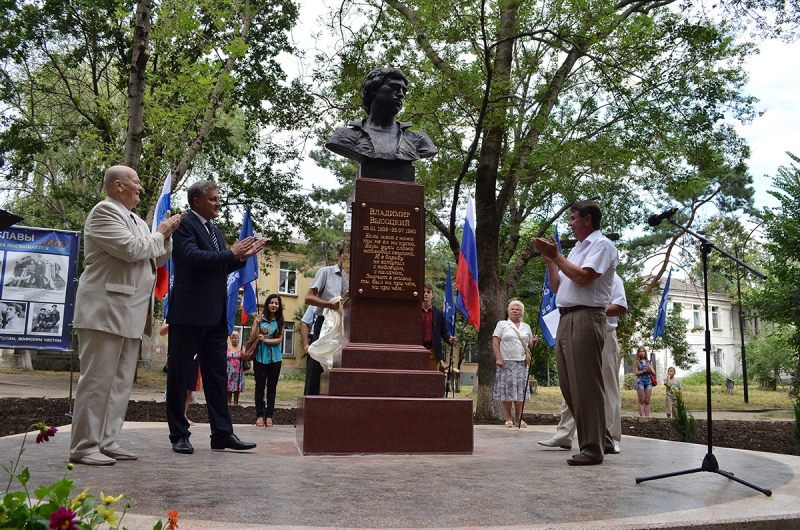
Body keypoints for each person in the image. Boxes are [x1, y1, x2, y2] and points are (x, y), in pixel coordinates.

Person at [69, 165, 182, 465]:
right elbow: (132, 249)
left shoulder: (136, 220)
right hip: (104, 310)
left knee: (119, 382)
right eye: (135, 182)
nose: (140, 188)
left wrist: (166, 235)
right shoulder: (104, 212)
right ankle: (83, 446)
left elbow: (156, 257)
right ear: (118, 186)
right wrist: (159, 233)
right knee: (96, 381)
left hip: (130, 312)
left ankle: (107, 440)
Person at [165, 179, 265, 455]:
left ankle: (222, 433)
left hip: (215, 316)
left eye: (218, 199)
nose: (218, 203)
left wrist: (242, 257)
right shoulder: (184, 224)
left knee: (217, 377)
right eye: (213, 199)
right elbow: (192, 258)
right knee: (179, 375)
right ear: (196, 201)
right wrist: (229, 253)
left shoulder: (214, 230)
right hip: (188, 314)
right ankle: (179, 434)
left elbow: (220, 266)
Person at [532, 200, 618, 466]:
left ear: (587, 220)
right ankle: (602, 439)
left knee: (586, 386)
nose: (569, 223)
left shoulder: (601, 245)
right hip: (567, 317)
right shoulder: (579, 249)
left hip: (586, 316)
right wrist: (550, 261)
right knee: (570, 385)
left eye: (573, 218)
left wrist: (558, 256)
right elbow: (559, 288)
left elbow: (584, 278)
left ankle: (592, 450)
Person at [538, 273, 627, 453]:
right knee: (574, 384)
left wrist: (590, 310)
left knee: (608, 387)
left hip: (605, 333)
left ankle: (610, 438)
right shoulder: (574, 275)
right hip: (578, 332)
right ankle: (564, 434)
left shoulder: (612, 278)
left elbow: (620, 307)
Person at [325, 68, 437, 164]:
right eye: (394, 87)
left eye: (403, 90)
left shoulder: (418, 140)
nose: (401, 94)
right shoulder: (345, 136)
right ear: (373, 89)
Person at [303, 242, 344, 396]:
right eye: (345, 254)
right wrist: (329, 304)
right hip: (324, 324)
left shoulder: (354, 278)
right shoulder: (326, 272)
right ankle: (310, 411)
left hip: (345, 328)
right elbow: (308, 297)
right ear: (338, 255)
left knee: (338, 370)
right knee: (316, 368)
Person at [492, 300, 538, 428]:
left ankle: (519, 418)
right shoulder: (502, 325)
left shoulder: (526, 327)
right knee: (507, 390)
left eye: (517, 309)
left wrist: (533, 342)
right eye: (512, 309)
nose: (515, 311)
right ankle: (508, 418)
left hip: (521, 363)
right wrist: (498, 358)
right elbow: (495, 342)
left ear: (521, 312)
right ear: (508, 311)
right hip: (506, 362)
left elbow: (529, 345)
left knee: (520, 391)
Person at [252, 294, 284, 427]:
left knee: (272, 388)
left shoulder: (280, 320)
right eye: (271, 302)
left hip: (275, 359)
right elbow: (253, 337)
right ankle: (260, 415)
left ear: (279, 306)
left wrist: (265, 340)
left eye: (276, 303)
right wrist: (255, 324)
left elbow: (279, 340)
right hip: (260, 358)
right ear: (267, 304)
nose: (274, 305)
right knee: (259, 387)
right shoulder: (260, 319)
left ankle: (269, 415)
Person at [421, 282, 457, 371]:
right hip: (418, 350)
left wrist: (449, 339)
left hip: (433, 351)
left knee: (432, 380)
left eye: (428, 292)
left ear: (432, 294)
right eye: (424, 292)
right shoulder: (414, 312)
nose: (426, 294)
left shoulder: (438, 313)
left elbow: (444, 331)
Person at [634, 346, 655, 417]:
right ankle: (642, 417)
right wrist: (644, 371)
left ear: (645, 353)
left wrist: (651, 370)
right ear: (638, 353)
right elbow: (636, 373)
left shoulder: (649, 362)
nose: (641, 353)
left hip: (648, 382)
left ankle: (647, 417)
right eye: (640, 351)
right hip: (640, 382)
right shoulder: (637, 362)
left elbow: (654, 373)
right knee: (641, 400)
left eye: (643, 351)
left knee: (647, 401)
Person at [226, 331, 245, 405]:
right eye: (232, 338)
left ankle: (236, 403)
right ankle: (228, 402)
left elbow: (246, 358)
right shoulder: (228, 348)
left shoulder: (242, 348)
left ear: (238, 339)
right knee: (229, 388)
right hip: (229, 371)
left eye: (235, 338)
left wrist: (244, 354)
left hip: (238, 371)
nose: (234, 339)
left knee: (237, 388)